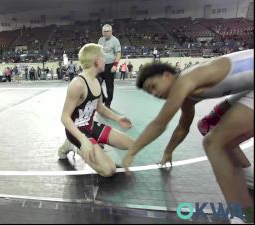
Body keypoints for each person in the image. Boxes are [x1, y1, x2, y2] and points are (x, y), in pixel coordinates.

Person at [122, 49, 254, 223]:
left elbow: (159, 123)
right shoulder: (189, 93)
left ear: (167, 76)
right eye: (149, 92)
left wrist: (131, 152)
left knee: (214, 143)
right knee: (208, 126)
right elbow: (183, 126)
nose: (154, 94)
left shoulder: (185, 80)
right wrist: (168, 152)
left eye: (153, 86)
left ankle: (243, 217)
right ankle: (248, 180)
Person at [59, 43, 134, 177]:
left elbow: (100, 108)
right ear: (97, 60)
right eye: (104, 57)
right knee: (108, 170)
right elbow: (65, 117)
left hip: (90, 126)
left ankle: (94, 143)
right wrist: (82, 140)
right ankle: (72, 146)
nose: (106, 60)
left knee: (132, 145)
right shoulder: (77, 84)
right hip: (76, 132)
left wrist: (118, 118)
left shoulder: (97, 80)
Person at [98, 24, 121, 108]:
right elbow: (98, 52)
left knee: (109, 86)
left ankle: (108, 103)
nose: (106, 33)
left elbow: (118, 53)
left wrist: (115, 65)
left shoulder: (115, 40)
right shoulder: (100, 40)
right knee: (96, 84)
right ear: (102, 32)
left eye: (108, 31)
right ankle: (104, 98)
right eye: (104, 31)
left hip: (110, 66)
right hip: (101, 66)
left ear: (111, 32)